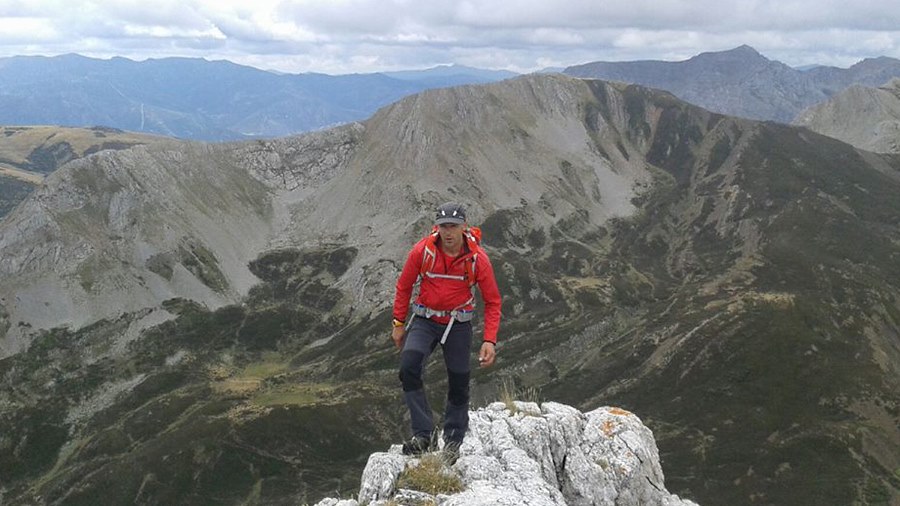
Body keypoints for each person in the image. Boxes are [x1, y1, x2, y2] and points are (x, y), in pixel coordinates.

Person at [391, 202, 502, 464]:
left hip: (458, 324)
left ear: (464, 226)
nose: (448, 232)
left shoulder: (477, 259)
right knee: (409, 366)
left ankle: (453, 442)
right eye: (443, 227)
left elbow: (493, 301)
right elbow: (404, 285)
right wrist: (398, 323)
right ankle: (424, 435)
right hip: (425, 319)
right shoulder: (423, 251)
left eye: (453, 226)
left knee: (459, 380)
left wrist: (489, 340)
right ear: (436, 227)